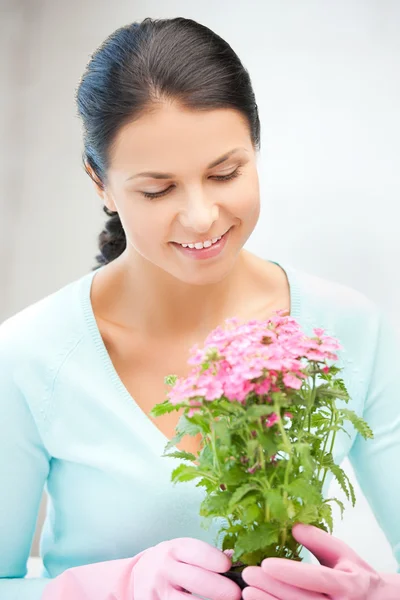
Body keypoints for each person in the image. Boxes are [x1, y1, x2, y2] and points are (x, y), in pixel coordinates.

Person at [0, 16, 399, 600]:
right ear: (100, 183)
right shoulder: (30, 355)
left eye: (225, 173)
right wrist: (116, 586)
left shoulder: (350, 330)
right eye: (157, 190)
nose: (201, 216)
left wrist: (376, 594)